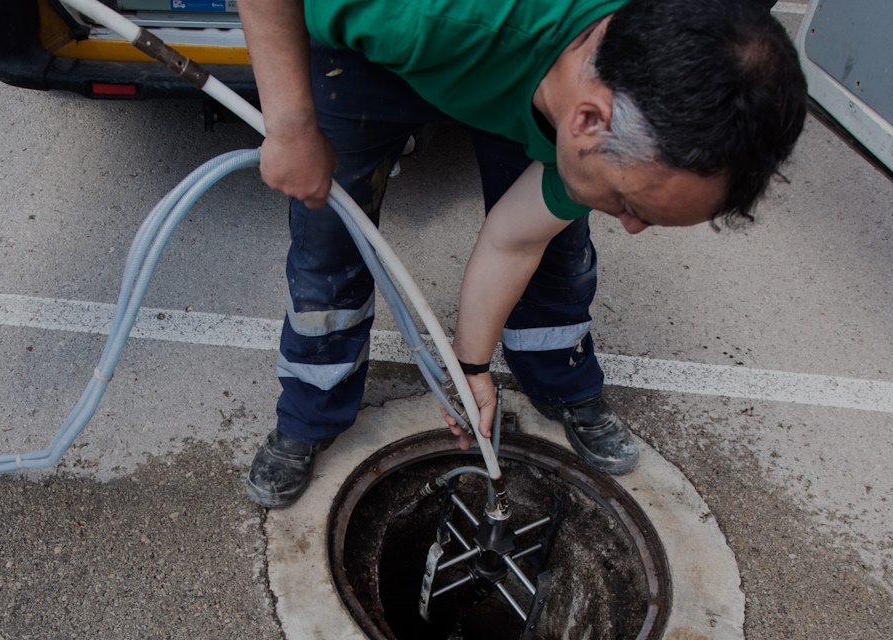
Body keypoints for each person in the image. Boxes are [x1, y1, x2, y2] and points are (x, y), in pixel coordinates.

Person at [237, 0, 806, 509]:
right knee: (329, 241)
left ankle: (563, 381)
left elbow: (515, 236)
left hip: (527, 70)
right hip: (379, 56)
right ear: (588, 121)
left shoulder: (651, 72)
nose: (631, 227)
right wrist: (290, 126)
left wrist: (471, 367)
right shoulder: (414, 13)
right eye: (632, 203)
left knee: (560, 240)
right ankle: (310, 413)